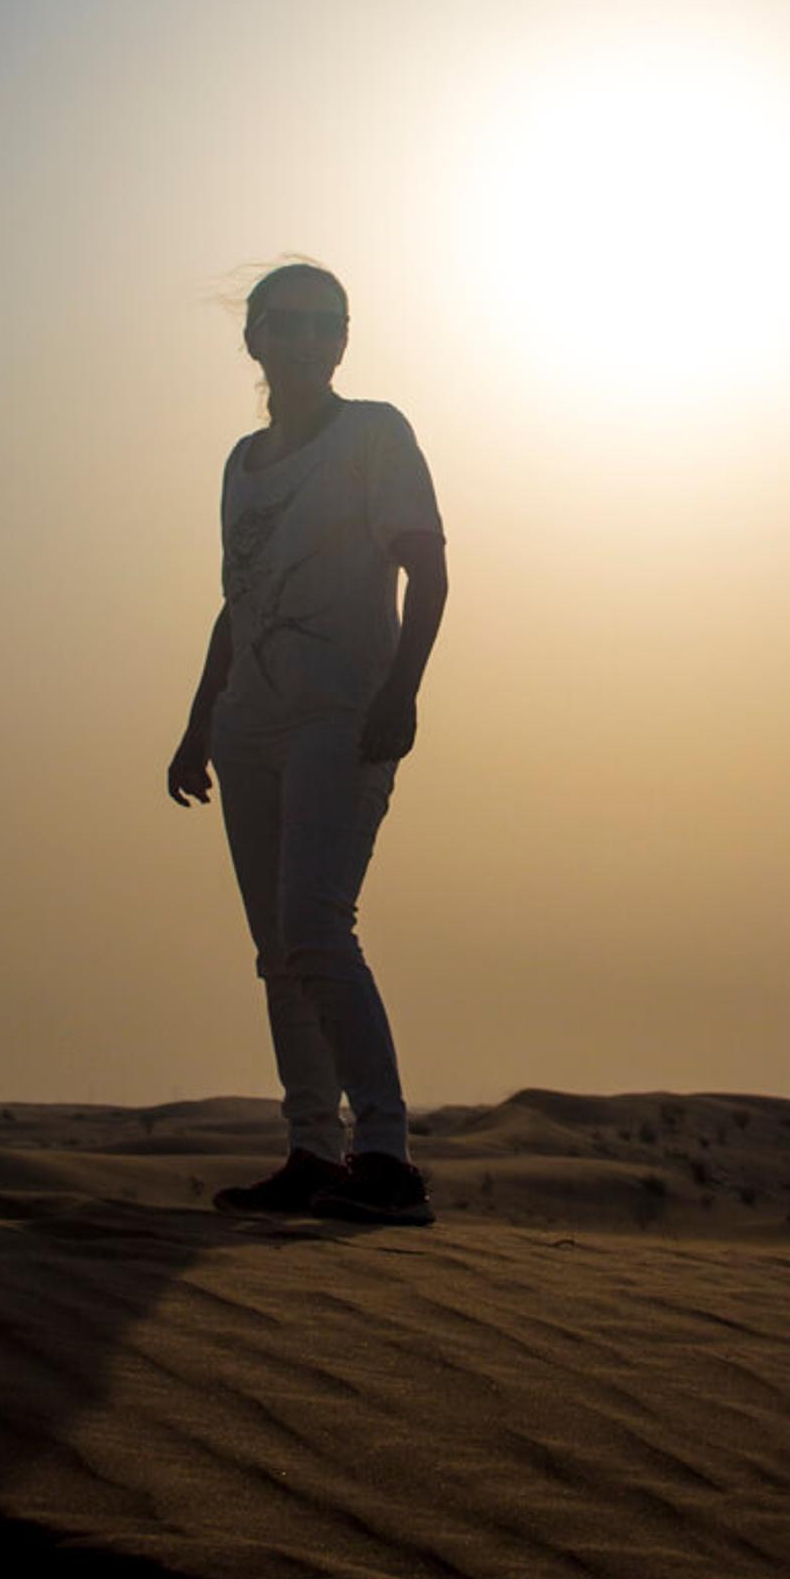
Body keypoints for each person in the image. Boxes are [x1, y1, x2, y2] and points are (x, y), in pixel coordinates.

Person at [167, 262, 448, 1225]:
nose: (304, 338)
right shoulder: (242, 464)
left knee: (319, 926)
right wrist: (197, 724)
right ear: (253, 337)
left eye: (325, 322)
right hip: (250, 725)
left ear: (342, 340)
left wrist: (402, 692)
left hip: (345, 714)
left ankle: (385, 1157)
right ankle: (311, 1152)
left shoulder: (376, 434)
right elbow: (237, 602)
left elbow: (429, 569)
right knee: (278, 951)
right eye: (285, 322)